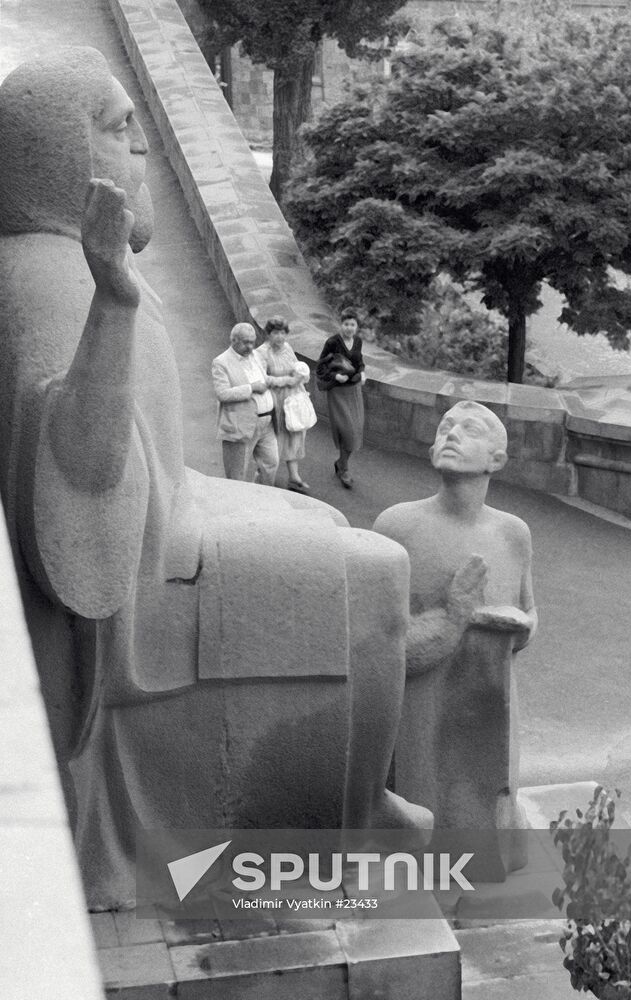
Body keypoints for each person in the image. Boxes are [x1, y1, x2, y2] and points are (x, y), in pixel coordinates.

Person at [0, 49, 430, 910]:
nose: (143, 154)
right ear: (65, 156)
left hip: (170, 516)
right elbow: (78, 470)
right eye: (123, 133)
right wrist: (113, 303)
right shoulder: (48, 284)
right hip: (139, 585)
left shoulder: (55, 266)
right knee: (378, 572)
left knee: (329, 529)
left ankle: (358, 793)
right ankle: (352, 813)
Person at [374, 401, 538, 875]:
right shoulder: (397, 527)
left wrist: (520, 628)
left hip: (492, 702)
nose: (451, 434)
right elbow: (381, 643)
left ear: (497, 461)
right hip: (422, 709)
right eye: (445, 427)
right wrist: (451, 619)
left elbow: (530, 610)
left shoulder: (513, 534)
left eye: (469, 429)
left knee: (489, 805)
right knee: (424, 800)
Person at [212, 322, 279, 485]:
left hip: (267, 423)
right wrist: (251, 388)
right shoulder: (221, 362)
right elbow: (222, 394)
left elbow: (265, 376)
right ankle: (239, 506)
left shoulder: (255, 355)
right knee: (237, 475)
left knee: (271, 463)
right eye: (246, 342)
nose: (250, 346)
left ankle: (260, 497)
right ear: (233, 340)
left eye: (252, 341)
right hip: (241, 425)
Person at [255, 316, 310, 492]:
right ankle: (262, 476)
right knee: (274, 439)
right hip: (275, 400)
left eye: (282, 333)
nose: (279, 337)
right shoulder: (262, 352)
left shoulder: (287, 348)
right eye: (275, 333)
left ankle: (294, 476)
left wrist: (301, 375)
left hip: (293, 399)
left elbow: (296, 367)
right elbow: (262, 378)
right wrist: (288, 380)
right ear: (268, 334)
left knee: (295, 435)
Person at [318, 307, 365, 489]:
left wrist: (362, 372)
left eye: (352, 324)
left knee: (355, 432)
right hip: (338, 393)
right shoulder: (332, 342)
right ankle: (344, 469)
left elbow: (359, 362)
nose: (349, 328)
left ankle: (341, 463)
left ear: (357, 326)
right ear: (340, 324)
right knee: (348, 432)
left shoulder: (358, 342)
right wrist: (335, 377)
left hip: (353, 391)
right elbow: (321, 366)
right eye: (346, 324)